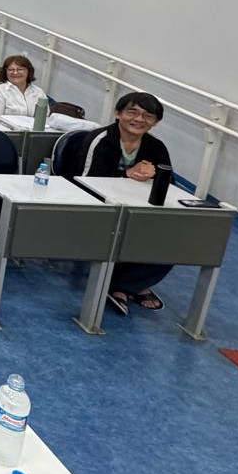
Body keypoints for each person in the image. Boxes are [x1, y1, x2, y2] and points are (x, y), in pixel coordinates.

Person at [76, 92, 173, 316]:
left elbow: (169, 184)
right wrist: (126, 174)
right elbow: (85, 182)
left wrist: (156, 174)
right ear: (118, 113)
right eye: (132, 112)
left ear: (156, 122)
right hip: (97, 208)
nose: (139, 119)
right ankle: (127, 285)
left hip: (138, 210)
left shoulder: (156, 147)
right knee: (123, 231)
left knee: (173, 240)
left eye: (148, 116)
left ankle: (125, 284)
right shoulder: (99, 140)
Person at [0, 55, 48, 121]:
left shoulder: (39, 92)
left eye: (20, 69)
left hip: (33, 127)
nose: (15, 72)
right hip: (5, 127)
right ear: (5, 72)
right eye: (10, 70)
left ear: (28, 71)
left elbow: (44, 117)